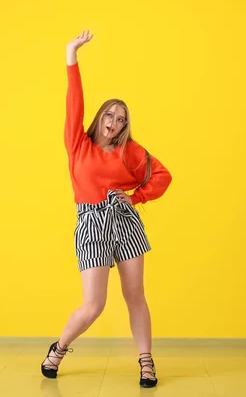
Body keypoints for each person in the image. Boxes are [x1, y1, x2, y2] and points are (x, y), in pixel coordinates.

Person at [40, 30, 172, 388]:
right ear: (100, 117)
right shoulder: (77, 144)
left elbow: (162, 176)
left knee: (135, 296)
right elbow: (74, 101)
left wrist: (137, 197)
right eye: (110, 116)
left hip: (124, 221)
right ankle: (59, 348)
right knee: (94, 305)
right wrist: (72, 55)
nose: (114, 123)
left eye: (121, 120)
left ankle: (146, 362)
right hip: (90, 222)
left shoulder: (129, 151)